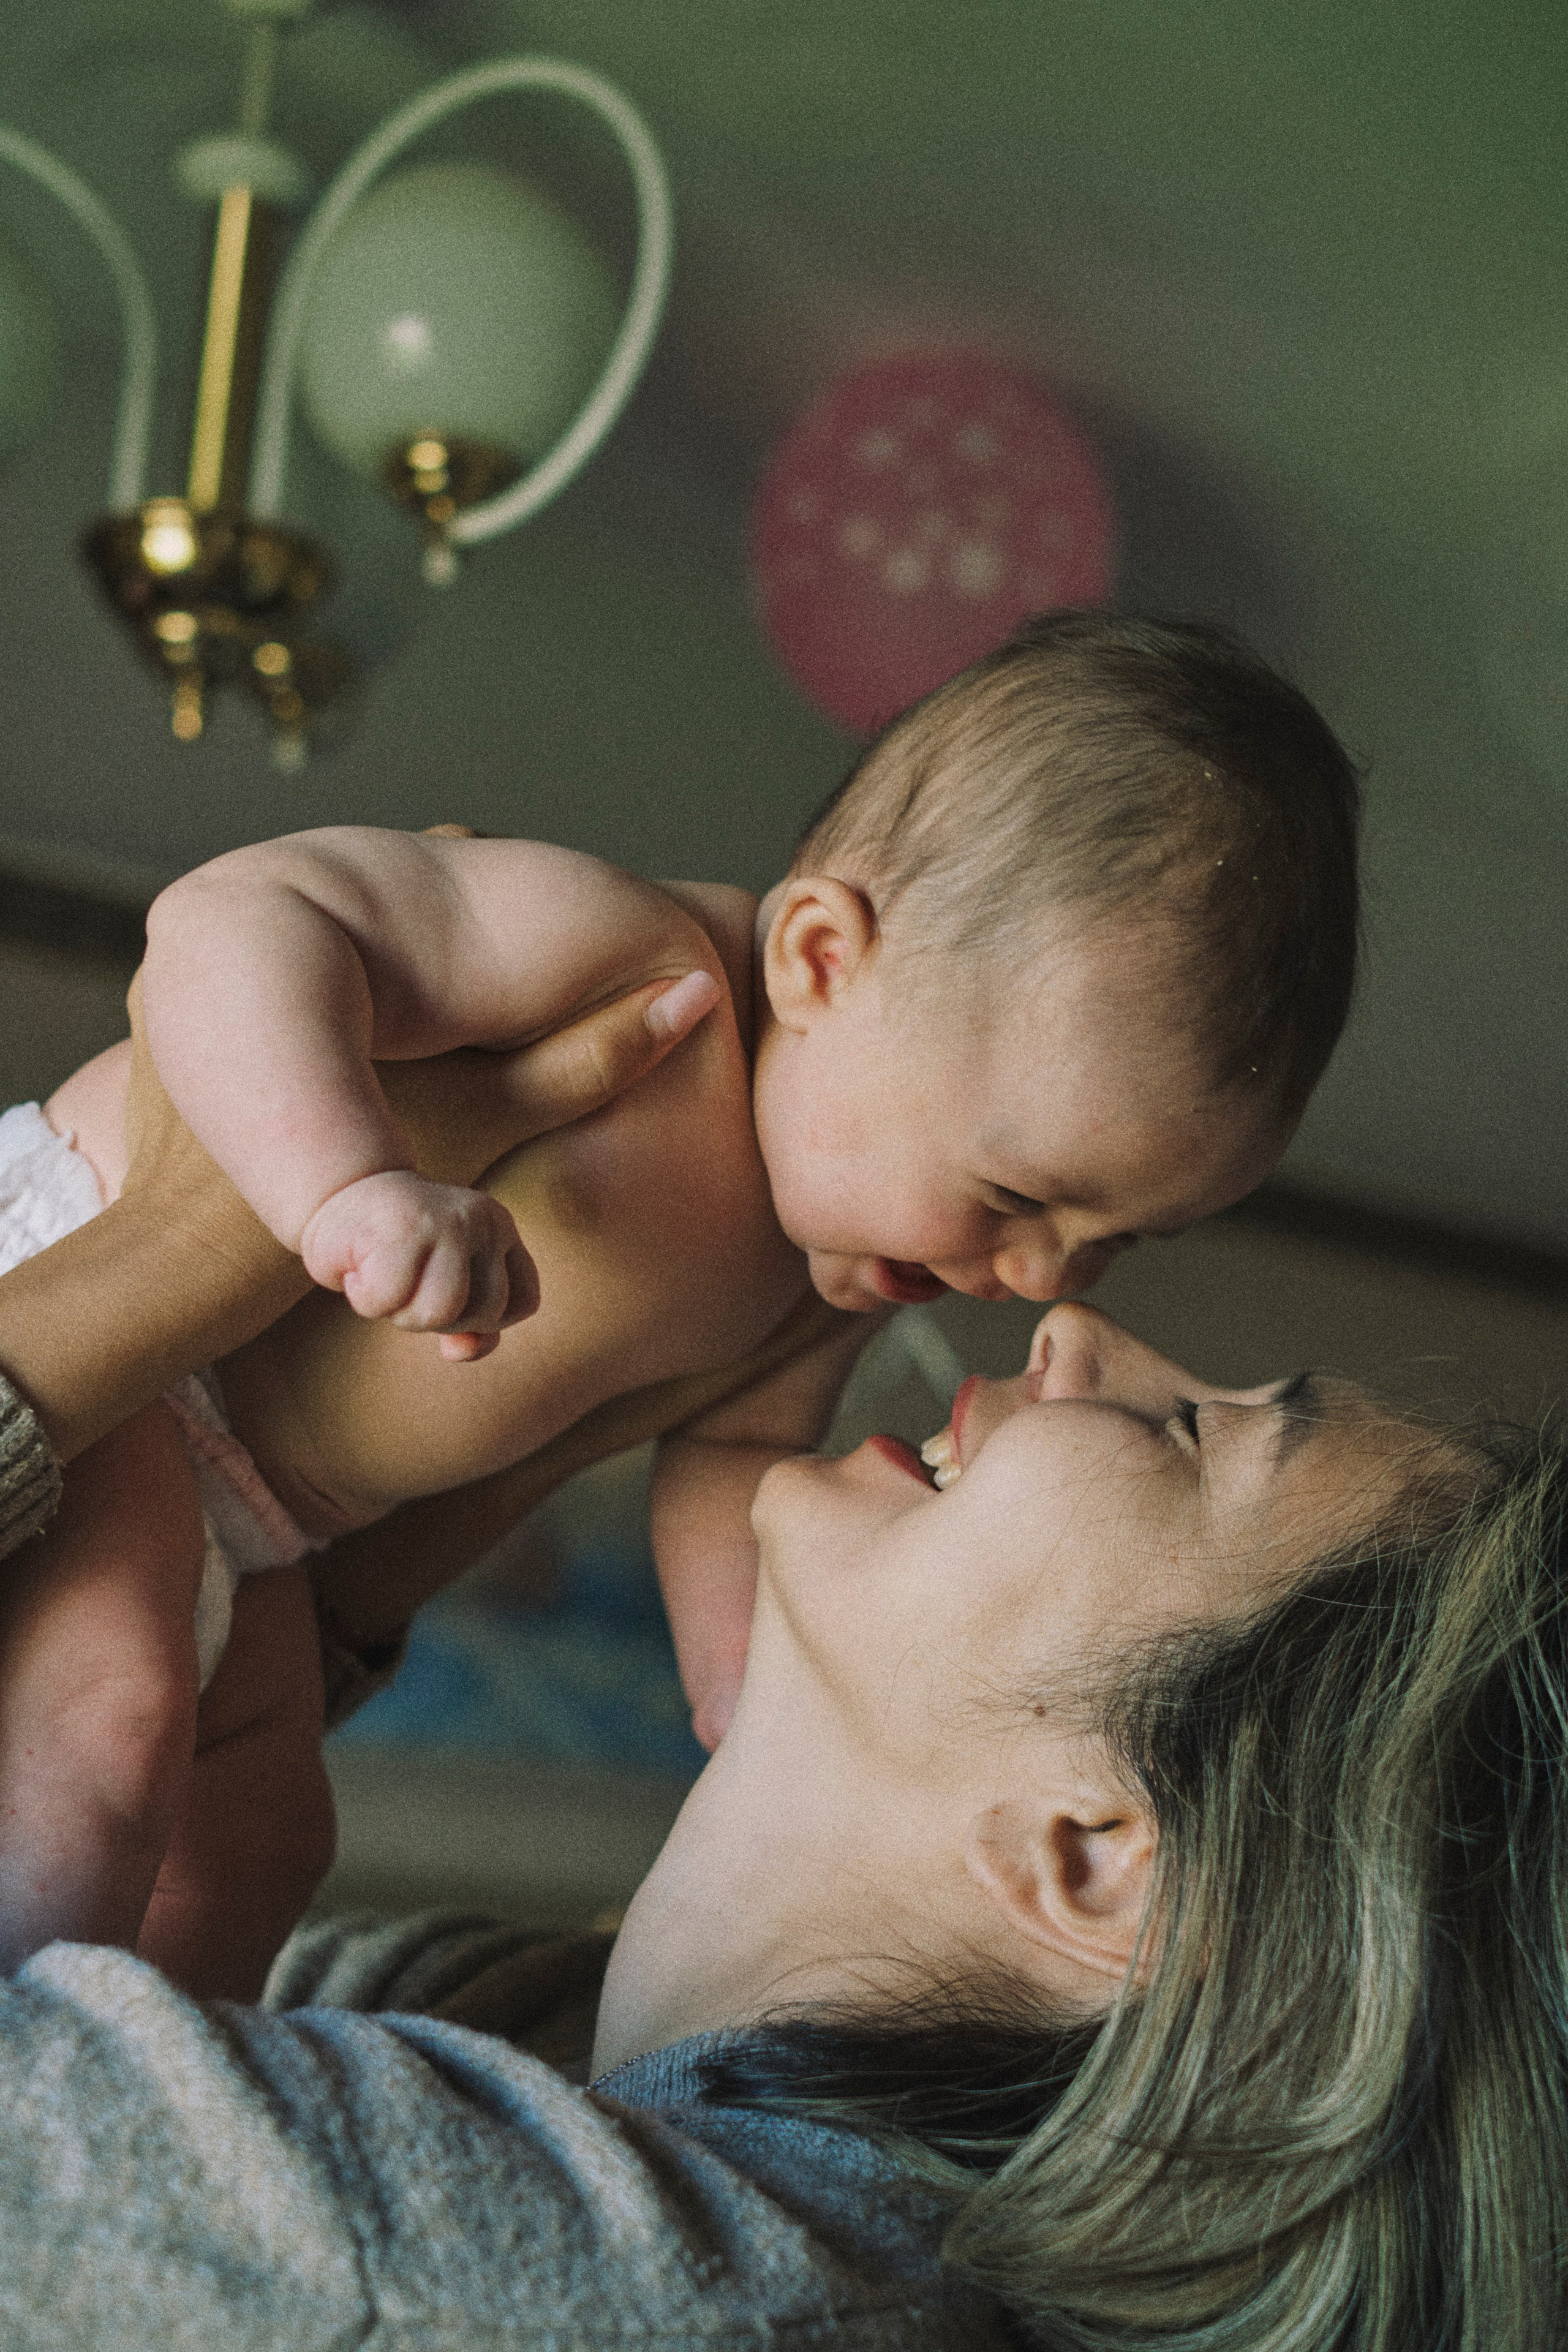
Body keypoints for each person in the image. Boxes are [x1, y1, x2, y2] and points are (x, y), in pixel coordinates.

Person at [0, 613, 1362, 1985]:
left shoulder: (833, 1273)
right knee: (106, 1737)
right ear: (823, 959)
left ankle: (161, 2083)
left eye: (1109, 1244)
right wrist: (340, 1182)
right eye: (1015, 1198)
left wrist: (743, 1684)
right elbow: (235, 920)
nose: (1037, 1281)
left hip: (267, 1531)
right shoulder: (625, 961)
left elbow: (739, 1461)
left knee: (261, 1839)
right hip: (105, 1322)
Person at [0, 1296, 1559, 2350]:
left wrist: (142, 1278)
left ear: (1098, 1856)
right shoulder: (535, 2047)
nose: (1080, 1328)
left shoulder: (523, 2286)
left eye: (1191, 1435)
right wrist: (280, 1562)